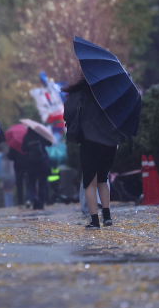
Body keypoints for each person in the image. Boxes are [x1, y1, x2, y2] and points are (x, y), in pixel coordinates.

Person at [63, 73, 124, 229]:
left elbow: (67, 113)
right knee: (103, 179)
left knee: (90, 182)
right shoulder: (111, 93)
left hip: (89, 141)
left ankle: (95, 221)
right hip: (110, 142)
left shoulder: (81, 93)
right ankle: (107, 216)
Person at [21, 128, 52, 210]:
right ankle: (41, 203)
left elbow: (23, 148)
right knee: (42, 184)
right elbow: (49, 143)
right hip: (42, 164)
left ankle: (34, 198)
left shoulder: (26, 137)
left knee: (31, 184)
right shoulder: (41, 136)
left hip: (31, 165)